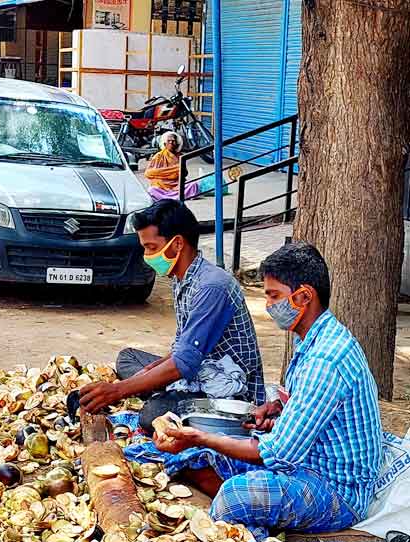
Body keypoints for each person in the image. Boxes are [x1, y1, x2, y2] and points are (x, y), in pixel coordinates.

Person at [154, 242, 382, 540]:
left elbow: (278, 453)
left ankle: (254, 527)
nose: (270, 306)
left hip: (337, 490)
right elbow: (312, 405)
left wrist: (201, 435)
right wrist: (278, 407)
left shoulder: (326, 359)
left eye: (274, 296)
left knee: (234, 495)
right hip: (307, 461)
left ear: (304, 296)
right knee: (199, 456)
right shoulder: (312, 338)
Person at [79, 199, 265, 432]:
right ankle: (159, 389)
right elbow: (182, 349)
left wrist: (118, 390)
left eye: (151, 248)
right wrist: (148, 372)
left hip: (226, 392)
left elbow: (184, 363)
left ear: (177, 244)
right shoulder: (181, 278)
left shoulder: (212, 286)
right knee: (128, 358)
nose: (146, 256)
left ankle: (161, 394)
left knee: (152, 416)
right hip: (196, 370)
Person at [144, 131, 199, 201]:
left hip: (176, 184)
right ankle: (176, 197)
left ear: (177, 144)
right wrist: (174, 170)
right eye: (169, 141)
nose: (171, 143)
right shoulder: (158, 156)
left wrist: (179, 170)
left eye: (173, 141)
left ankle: (169, 197)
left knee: (193, 185)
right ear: (164, 144)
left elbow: (185, 173)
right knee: (152, 190)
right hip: (162, 185)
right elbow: (148, 173)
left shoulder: (180, 156)